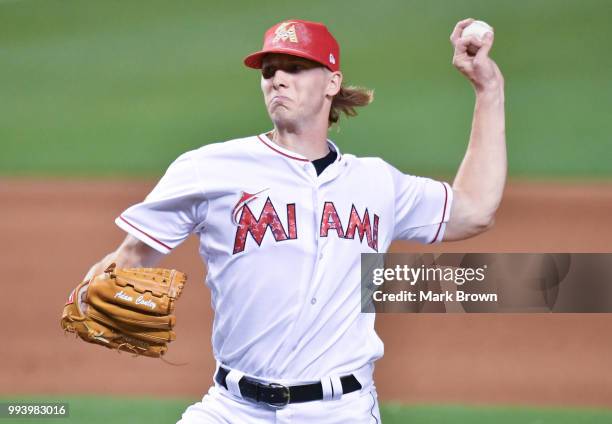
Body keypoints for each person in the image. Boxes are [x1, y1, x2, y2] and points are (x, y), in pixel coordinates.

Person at [84, 18, 505, 423]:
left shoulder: (377, 182)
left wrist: (489, 89)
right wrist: (91, 291)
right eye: (269, 71)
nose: (277, 79)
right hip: (233, 410)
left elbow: (474, 209)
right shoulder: (208, 167)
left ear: (332, 83)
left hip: (340, 412)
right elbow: (131, 257)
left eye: (296, 67)